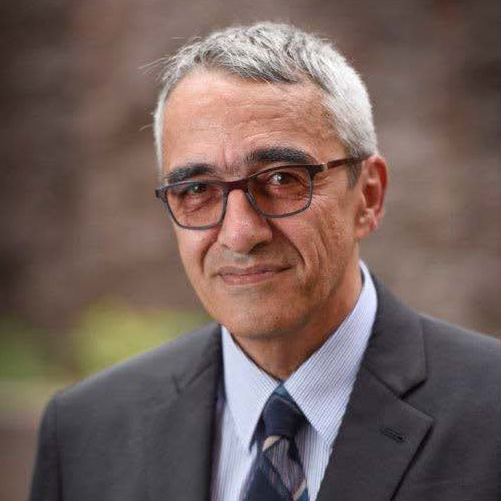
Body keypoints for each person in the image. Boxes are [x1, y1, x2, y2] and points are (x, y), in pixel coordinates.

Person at [30, 22, 501, 501]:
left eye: (281, 179)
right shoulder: (85, 432)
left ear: (368, 196)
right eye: (197, 189)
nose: (240, 233)